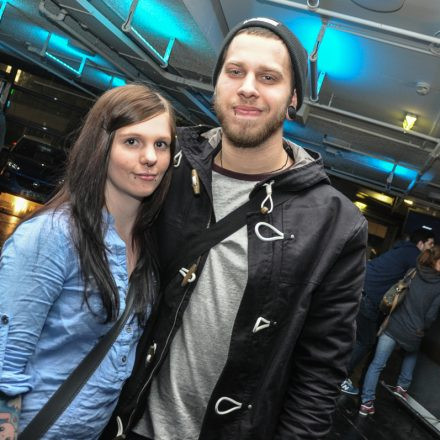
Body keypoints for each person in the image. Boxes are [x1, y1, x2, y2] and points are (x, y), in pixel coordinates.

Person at [103, 17, 368, 440]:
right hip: (126, 422)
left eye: (268, 77)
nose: (248, 87)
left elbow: (319, 374)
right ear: (217, 85)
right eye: (235, 71)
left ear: (293, 98)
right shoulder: (168, 166)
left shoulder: (335, 224)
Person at [0, 83, 176, 439]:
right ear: (101, 146)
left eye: (161, 144)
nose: (150, 157)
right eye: (132, 141)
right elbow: (5, 368)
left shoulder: (147, 248)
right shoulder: (53, 236)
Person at [341, 228, 435, 395]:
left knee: (350, 336)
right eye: (430, 244)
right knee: (365, 341)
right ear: (421, 244)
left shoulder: (400, 248)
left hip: (357, 288)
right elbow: (424, 279)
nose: (431, 249)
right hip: (369, 298)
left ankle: (333, 371)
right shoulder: (414, 256)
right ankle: (340, 378)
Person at [359, 245, 440, 416]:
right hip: (413, 331)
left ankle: (366, 403)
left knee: (376, 365)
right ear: (436, 261)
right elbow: (431, 316)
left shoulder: (413, 272)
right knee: (413, 351)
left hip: (393, 325)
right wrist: (422, 328)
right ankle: (402, 386)